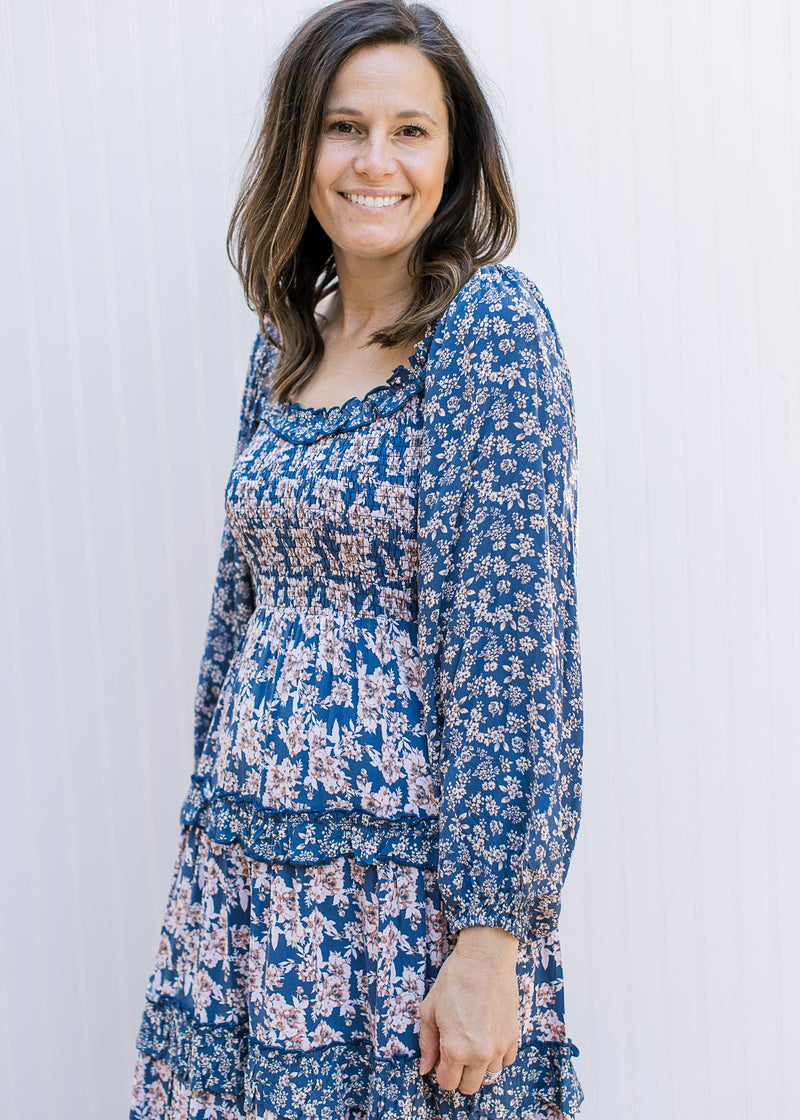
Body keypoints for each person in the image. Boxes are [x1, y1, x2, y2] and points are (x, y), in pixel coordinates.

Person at [128, 2, 584, 1118]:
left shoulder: (489, 332)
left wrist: (490, 943)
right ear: (302, 148)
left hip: (397, 902)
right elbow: (237, 617)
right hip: (245, 883)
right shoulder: (287, 343)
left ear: (454, 155)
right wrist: (207, 826)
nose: (373, 161)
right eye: (343, 127)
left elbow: (514, 651)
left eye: (409, 130)